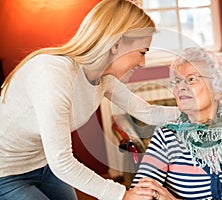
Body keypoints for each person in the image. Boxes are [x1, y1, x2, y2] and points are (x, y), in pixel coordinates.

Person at [0, 0, 181, 199]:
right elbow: (62, 162)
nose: (142, 62)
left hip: (45, 165)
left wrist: (199, 113)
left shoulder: (103, 77)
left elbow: (147, 113)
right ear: (117, 44)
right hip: (6, 173)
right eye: (142, 52)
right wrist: (122, 195)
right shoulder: (52, 73)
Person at [131, 47, 222, 200]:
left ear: (218, 90)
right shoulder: (165, 137)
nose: (180, 87)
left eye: (191, 79)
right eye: (177, 81)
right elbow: (140, 196)